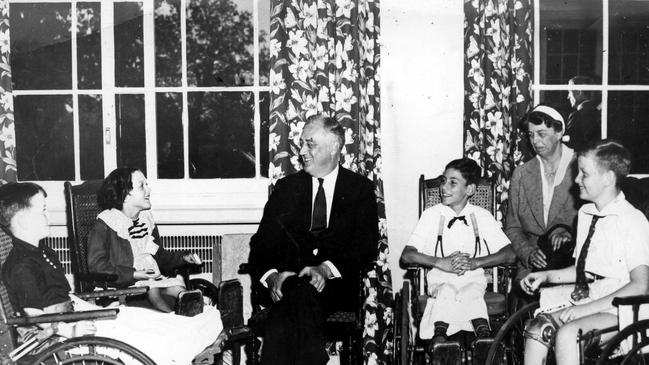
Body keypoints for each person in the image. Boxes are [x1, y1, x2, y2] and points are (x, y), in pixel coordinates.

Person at [0, 182, 223, 365]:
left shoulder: (41, 251)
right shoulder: (21, 265)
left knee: (137, 319)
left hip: (76, 311)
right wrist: (70, 329)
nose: (49, 215)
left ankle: (196, 332)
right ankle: (187, 345)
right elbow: (33, 315)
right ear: (22, 221)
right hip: (62, 331)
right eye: (43, 210)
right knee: (142, 334)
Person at [248, 114, 379, 365]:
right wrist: (273, 276)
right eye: (302, 144)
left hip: (334, 290)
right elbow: (261, 243)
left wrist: (324, 269)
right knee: (299, 292)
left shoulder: (359, 190)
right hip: (285, 285)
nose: (301, 152)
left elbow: (365, 247)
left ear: (334, 147)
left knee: (293, 302)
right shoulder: (286, 188)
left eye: (310, 144)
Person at [520, 140, 649, 365]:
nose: (576, 179)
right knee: (538, 328)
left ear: (608, 179)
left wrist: (585, 309)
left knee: (568, 334)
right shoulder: (587, 213)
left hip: (623, 309)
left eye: (584, 174)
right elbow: (585, 271)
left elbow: (640, 285)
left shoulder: (632, 221)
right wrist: (547, 275)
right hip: (591, 296)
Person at [400, 158, 515, 346]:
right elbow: (407, 255)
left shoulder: (482, 216)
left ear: (469, 190)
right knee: (446, 292)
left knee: (472, 292)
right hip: (441, 281)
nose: (444, 187)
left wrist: (475, 262)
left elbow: (510, 253)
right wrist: (439, 262)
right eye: (443, 181)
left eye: (453, 183)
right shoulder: (431, 215)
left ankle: (483, 339)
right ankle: (441, 340)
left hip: (473, 281)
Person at [87, 167, 201, 312]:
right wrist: (134, 274)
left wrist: (182, 257)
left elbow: (159, 255)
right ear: (126, 195)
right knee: (152, 290)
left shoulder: (146, 220)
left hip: (151, 280)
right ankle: (174, 319)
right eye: (142, 186)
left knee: (178, 288)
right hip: (123, 287)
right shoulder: (106, 223)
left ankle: (194, 313)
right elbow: (97, 266)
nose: (149, 190)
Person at [506, 105, 581, 298]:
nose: (535, 141)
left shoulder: (583, 168)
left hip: (573, 267)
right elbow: (512, 227)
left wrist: (567, 231)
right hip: (532, 268)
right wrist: (528, 253)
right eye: (530, 135)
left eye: (541, 133)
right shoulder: (522, 174)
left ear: (559, 132)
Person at [565, 76, 601, 151]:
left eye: (569, 92)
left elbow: (570, 146)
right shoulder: (600, 113)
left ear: (578, 92)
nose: (568, 97)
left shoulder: (576, 116)